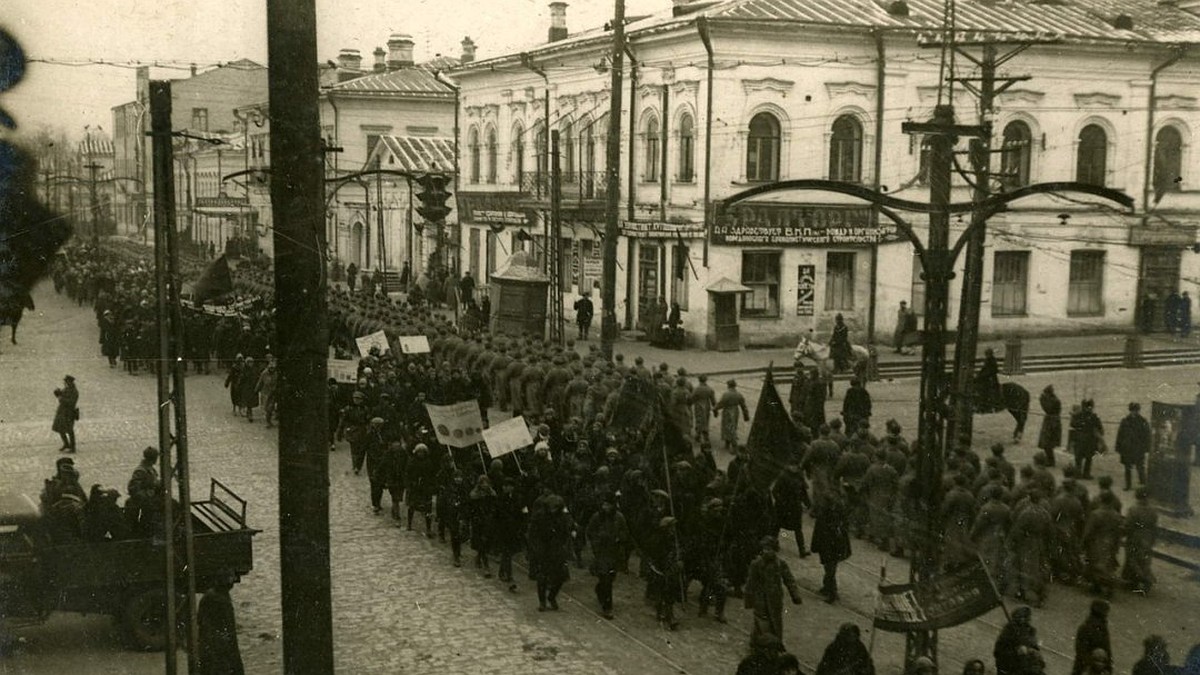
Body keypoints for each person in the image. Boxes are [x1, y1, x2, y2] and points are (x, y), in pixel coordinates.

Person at [744, 536, 802, 647]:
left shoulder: (780, 564)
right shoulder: (756, 564)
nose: (766, 552)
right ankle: (758, 643)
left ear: (775, 550)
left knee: (775, 622)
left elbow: (789, 579)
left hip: (775, 599)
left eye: (769, 549)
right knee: (762, 623)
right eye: (765, 549)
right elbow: (750, 583)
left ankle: (774, 644)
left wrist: (795, 595)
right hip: (761, 600)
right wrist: (749, 600)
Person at [586, 492, 629, 619]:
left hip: (614, 552)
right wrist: (597, 541)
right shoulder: (597, 517)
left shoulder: (619, 518)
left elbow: (625, 533)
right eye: (604, 504)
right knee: (606, 579)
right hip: (601, 552)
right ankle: (607, 607)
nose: (605, 507)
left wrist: (618, 538)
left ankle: (600, 590)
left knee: (610, 578)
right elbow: (590, 532)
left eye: (608, 504)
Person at [196, 575, 245, 675]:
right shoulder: (221, 599)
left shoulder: (210, 597)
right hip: (219, 644)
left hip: (211, 642)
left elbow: (200, 620)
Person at [811, 485, 851, 603]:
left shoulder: (827, 514)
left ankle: (832, 593)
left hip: (828, 544)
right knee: (830, 566)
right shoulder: (839, 512)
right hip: (835, 543)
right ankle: (827, 587)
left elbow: (820, 529)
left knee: (829, 568)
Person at [1122, 487, 1158, 593]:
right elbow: (1154, 526)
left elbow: (1128, 525)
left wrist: (1123, 532)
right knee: (1144, 560)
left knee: (1132, 558)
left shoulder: (1133, 509)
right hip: (1148, 536)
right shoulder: (1153, 510)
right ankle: (1139, 579)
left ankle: (1142, 580)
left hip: (1136, 536)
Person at [994, 606, 1042, 675]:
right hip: (1010, 667)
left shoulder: (1030, 631)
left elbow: (1035, 647)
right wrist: (1016, 652)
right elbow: (998, 652)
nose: (1024, 620)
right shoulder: (1007, 633)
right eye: (1021, 617)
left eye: (1026, 618)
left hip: (1026, 666)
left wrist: (1032, 650)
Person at [126, 446, 162, 536]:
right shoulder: (141, 470)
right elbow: (134, 489)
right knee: (146, 522)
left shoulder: (150, 469)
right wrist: (148, 497)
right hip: (144, 502)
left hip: (149, 501)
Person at [1116, 402, 1151, 490]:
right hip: (1127, 448)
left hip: (1138, 449)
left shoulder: (1143, 421)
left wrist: (1147, 448)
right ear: (1130, 410)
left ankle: (1143, 483)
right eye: (1133, 411)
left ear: (1138, 411)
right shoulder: (1125, 421)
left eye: (1136, 411)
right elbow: (1120, 435)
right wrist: (1118, 447)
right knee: (1128, 468)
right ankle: (1128, 485)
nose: (1134, 412)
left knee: (1140, 467)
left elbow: (1147, 436)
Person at [714, 379, 750, 452]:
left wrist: (715, 409)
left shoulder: (726, 394)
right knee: (733, 426)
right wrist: (746, 414)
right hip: (735, 411)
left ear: (728, 385)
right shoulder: (739, 394)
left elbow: (721, 403)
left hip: (727, 411)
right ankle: (727, 443)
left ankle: (734, 445)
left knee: (728, 427)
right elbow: (743, 405)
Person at [1072, 399, 1104, 479]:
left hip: (1080, 439)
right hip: (1089, 440)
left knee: (1079, 458)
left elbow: (1073, 424)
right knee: (1088, 458)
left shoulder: (1078, 415)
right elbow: (1100, 428)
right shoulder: (1093, 416)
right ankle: (1086, 474)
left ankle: (1078, 473)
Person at [52, 374, 79, 453]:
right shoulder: (67, 389)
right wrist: (59, 393)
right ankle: (66, 444)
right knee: (60, 429)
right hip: (62, 412)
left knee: (70, 430)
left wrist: (61, 398)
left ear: (70, 382)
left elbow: (71, 402)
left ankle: (73, 447)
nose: (65, 383)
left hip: (69, 413)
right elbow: (63, 395)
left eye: (66, 382)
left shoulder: (74, 391)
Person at [1037, 385, 1062, 467]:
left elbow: (1047, 409)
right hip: (1051, 421)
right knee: (1047, 443)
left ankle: (1051, 461)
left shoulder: (1055, 401)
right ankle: (1050, 460)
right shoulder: (1054, 399)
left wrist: (1042, 400)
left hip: (1052, 422)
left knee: (1047, 443)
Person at [976, 347, 1002, 412]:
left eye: (988, 354)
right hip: (985, 378)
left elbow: (994, 370)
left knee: (986, 389)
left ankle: (989, 405)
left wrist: (983, 375)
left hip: (991, 379)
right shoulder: (987, 360)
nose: (987, 355)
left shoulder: (993, 360)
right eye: (986, 354)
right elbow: (983, 369)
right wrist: (978, 375)